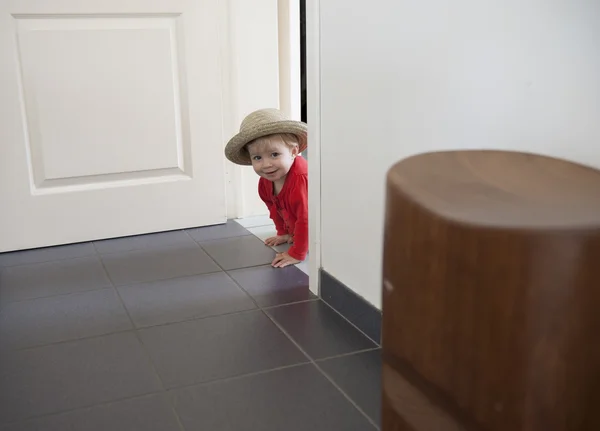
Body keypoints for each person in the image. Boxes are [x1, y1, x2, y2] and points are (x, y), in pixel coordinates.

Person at [225, 108, 308, 268]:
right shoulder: (265, 182)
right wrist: (283, 232)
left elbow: (306, 219)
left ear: (293, 151)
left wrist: (296, 253)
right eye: (257, 158)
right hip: (300, 227)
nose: (266, 165)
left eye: (274, 154)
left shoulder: (301, 179)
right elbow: (274, 208)